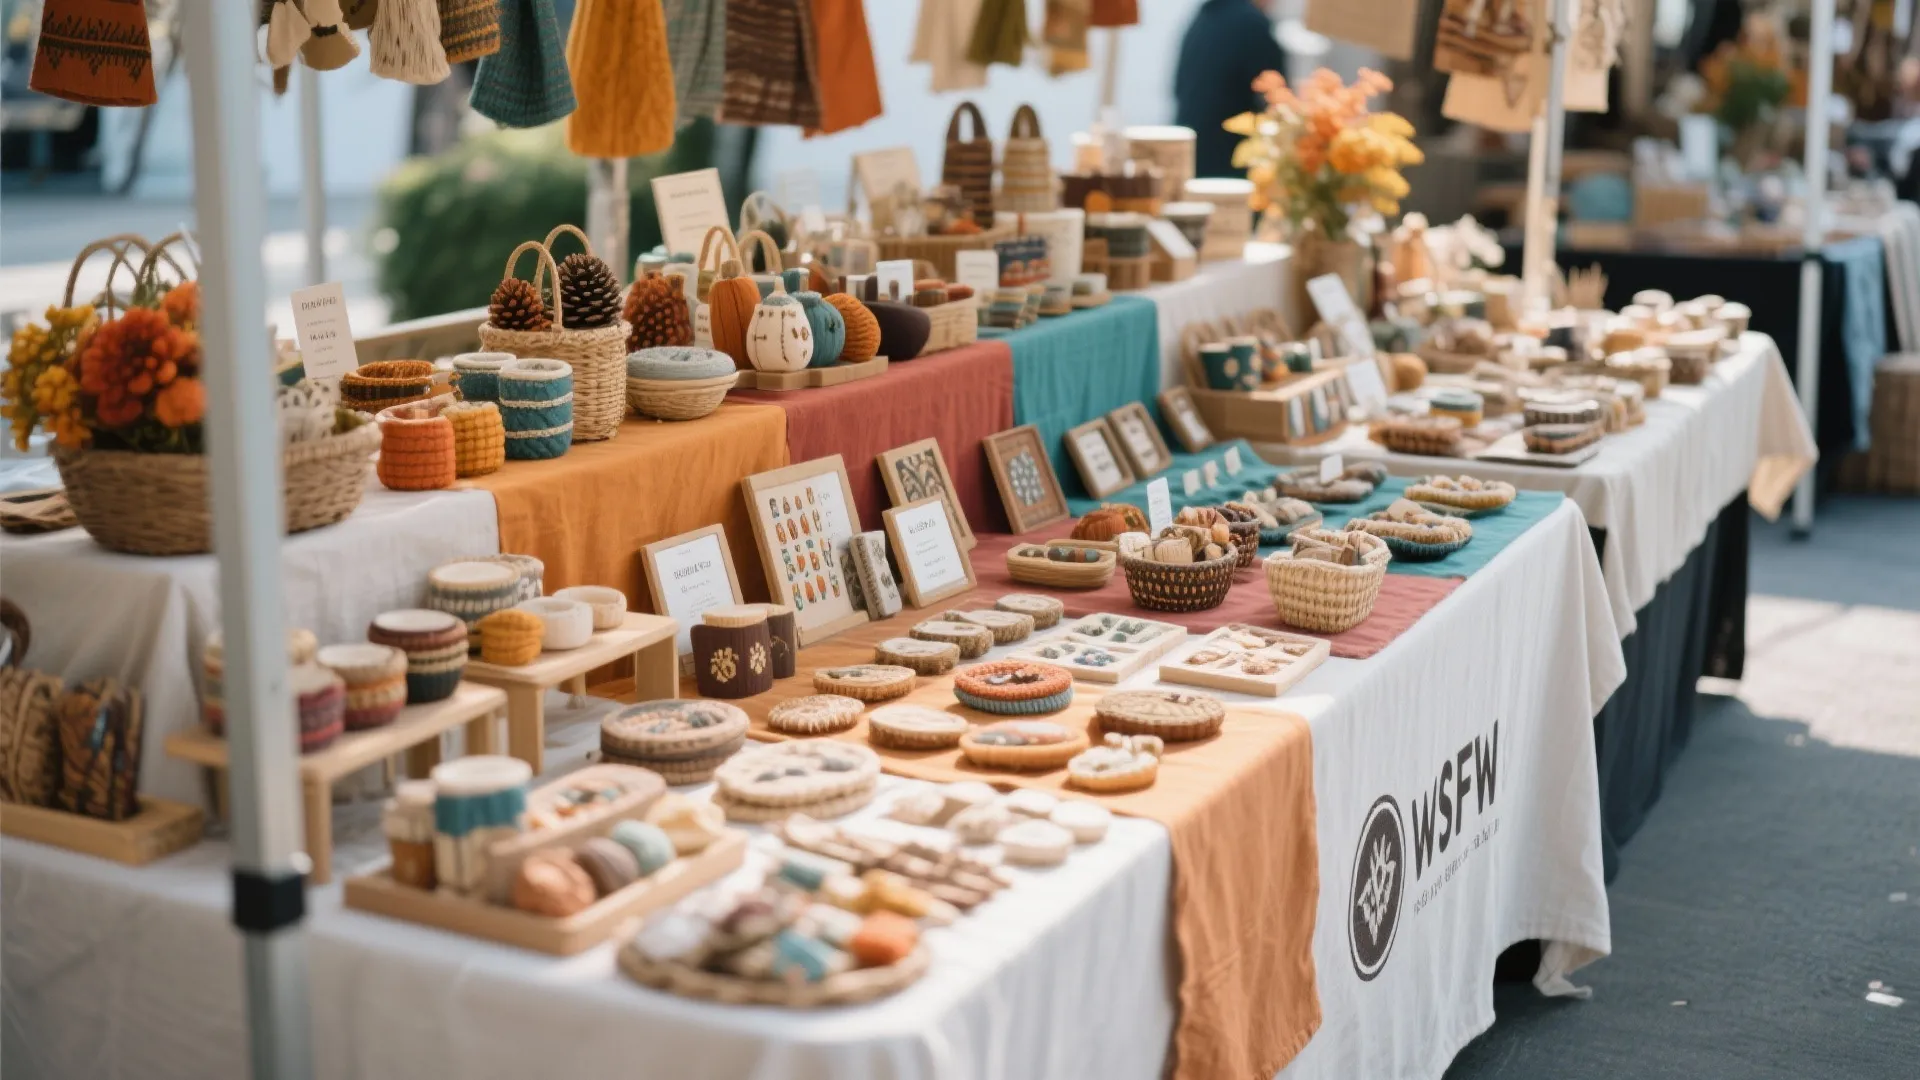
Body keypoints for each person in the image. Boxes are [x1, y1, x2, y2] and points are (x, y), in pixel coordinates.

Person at [1173, 0, 1288, 178]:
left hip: (1187, 158)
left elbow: (1177, 87)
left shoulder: (1205, 15)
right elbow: (1278, 106)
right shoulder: (1252, 24)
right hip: (1228, 168)